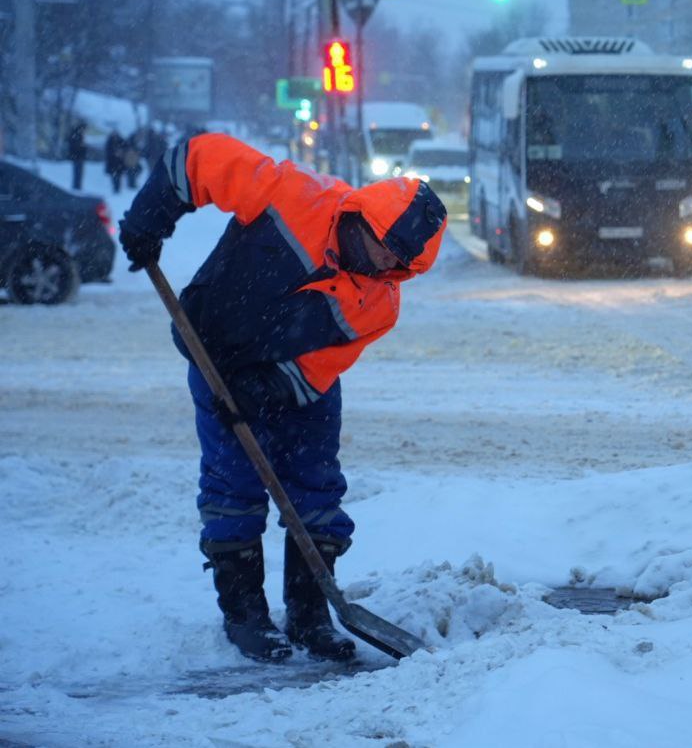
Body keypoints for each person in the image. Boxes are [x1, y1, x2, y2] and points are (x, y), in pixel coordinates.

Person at [117, 133, 447, 663]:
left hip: (301, 381)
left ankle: (310, 613)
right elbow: (194, 159)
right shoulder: (293, 195)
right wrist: (147, 220)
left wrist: (266, 388)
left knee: (316, 486)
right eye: (382, 242)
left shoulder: (380, 302)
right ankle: (245, 614)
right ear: (364, 216)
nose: (385, 259)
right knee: (234, 482)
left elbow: (324, 363)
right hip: (215, 351)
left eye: (399, 258)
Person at [67, 120, 88, 191]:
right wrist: (82, 146)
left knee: (79, 173)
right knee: (77, 173)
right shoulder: (76, 135)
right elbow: (74, 146)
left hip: (79, 157)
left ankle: (78, 187)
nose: (84, 131)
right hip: (77, 157)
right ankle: (76, 188)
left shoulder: (78, 135)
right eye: (84, 129)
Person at [105, 129, 126, 194]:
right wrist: (114, 153)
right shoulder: (109, 141)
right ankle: (115, 189)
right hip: (112, 163)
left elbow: (125, 147)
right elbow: (108, 151)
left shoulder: (121, 140)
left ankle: (118, 189)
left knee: (119, 177)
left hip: (119, 163)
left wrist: (121, 152)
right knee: (114, 177)